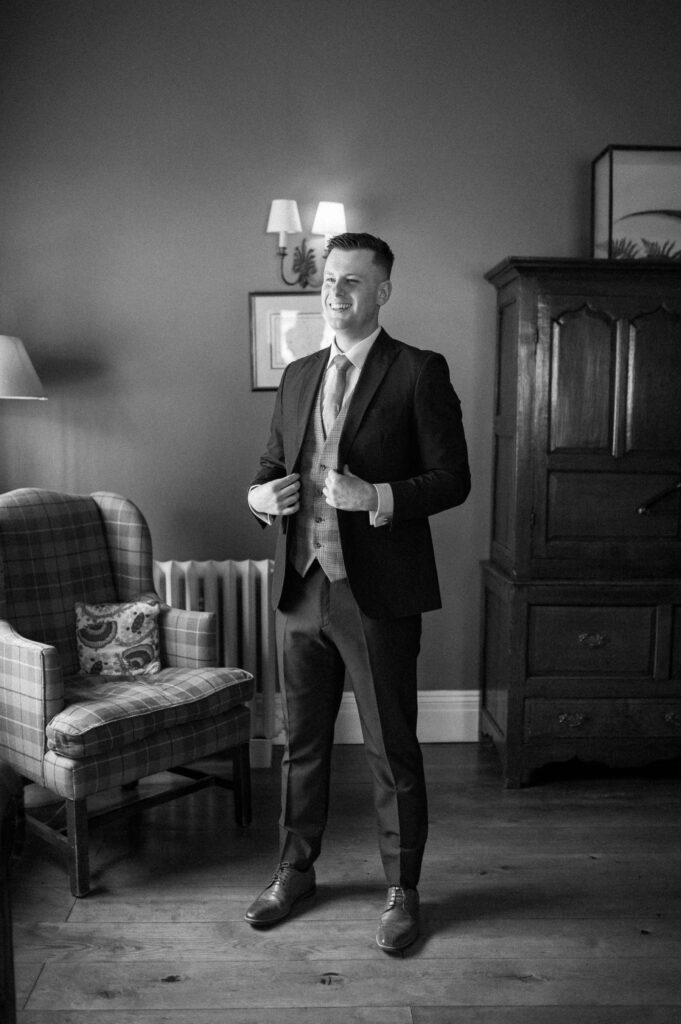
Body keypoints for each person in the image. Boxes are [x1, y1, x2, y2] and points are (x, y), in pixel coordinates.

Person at [245, 232, 470, 951]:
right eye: (329, 280)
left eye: (351, 281)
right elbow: (269, 465)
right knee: (299, 744)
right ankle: (293, 870)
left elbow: (452, 478)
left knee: (390, 747)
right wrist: (259, 496)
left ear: (382, 292)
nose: (334, 292)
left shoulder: (418, 372)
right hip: (301, 588)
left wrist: (373, 493)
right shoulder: (298, 374)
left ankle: (401, 890)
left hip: (377, 593)